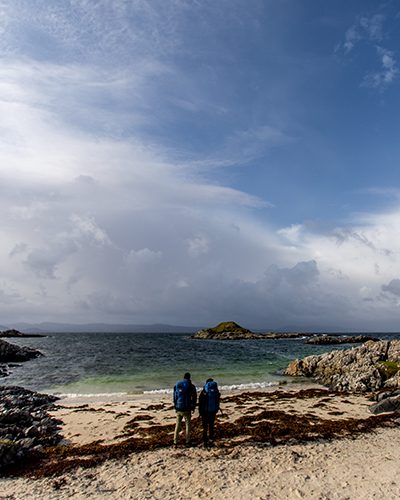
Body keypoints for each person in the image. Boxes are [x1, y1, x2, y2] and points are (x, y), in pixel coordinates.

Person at [173, 372, 197, 447]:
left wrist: (175, 405)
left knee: (177, 425)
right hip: (187, 408)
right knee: (187, 425)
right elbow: (194, 397)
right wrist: (193, 407)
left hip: (178, 408)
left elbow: (174, 396)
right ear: (189, 378)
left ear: (183, 377)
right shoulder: (191, 386)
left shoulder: (178, 384)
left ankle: (175, 442)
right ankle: (187, 441)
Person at [199, 377, 220, 447]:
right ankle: (211, 439)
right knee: (211, 425)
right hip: (213, 411)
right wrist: (216, 409)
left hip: (205, 412)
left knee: (205, 427)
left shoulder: (204, 392)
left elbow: (200, 402)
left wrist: (200, 412)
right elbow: (218, 400)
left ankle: (205, 441)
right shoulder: (216, 391)